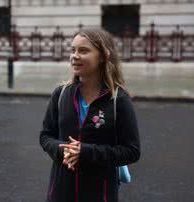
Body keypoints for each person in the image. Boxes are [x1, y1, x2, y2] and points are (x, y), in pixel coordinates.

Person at [39, 29, 140, 202]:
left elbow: (131, 151)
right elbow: (46, 136)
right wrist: (61, 149)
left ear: (102, 56)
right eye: (73, 50)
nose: (75, 56)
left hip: (100, 195)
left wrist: (85, 152)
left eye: (83, 51)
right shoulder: (61, 94)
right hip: (60, 193)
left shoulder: (119, 100)